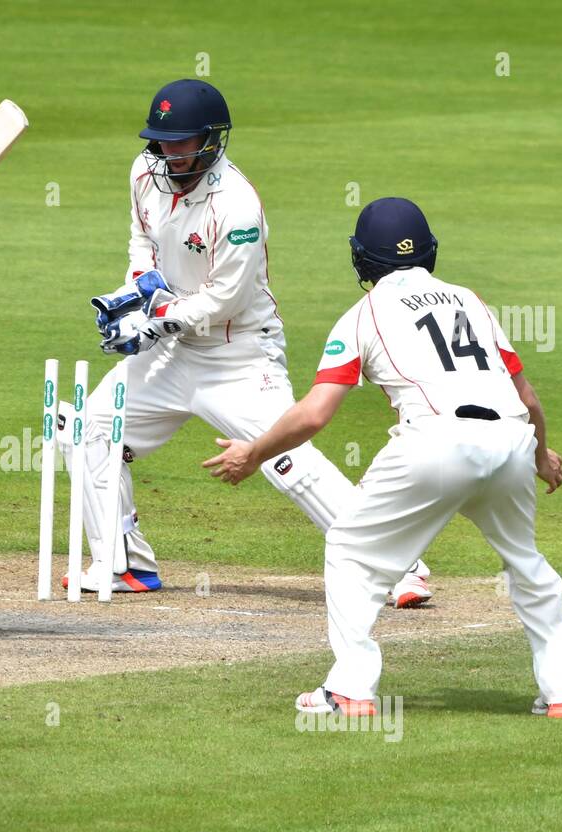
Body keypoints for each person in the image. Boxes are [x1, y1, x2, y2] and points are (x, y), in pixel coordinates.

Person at [203, 197, 562, 718]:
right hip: (511, 442)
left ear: (363, 259)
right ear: (429, 251)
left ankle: (350, 690)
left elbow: (315, 414)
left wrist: (254, 452)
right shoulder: (470, 301)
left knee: (350, 548)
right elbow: (528, 396)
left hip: (434, 443)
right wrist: (541, 456)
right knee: (527, 566)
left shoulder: (364, 313)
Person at [71, 79, 432, 607]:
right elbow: (142, 238)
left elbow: (224, 299)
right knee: (93, 427)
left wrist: (157, 320)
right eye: (163, 141)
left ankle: (401, 567)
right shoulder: (143, 173)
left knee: (290, 463)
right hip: (173, 352)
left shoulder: (236, 207)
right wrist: (139, 291)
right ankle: (122, 562)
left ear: (211, 140)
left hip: (238, 355)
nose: (170, 153)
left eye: (183, 142)